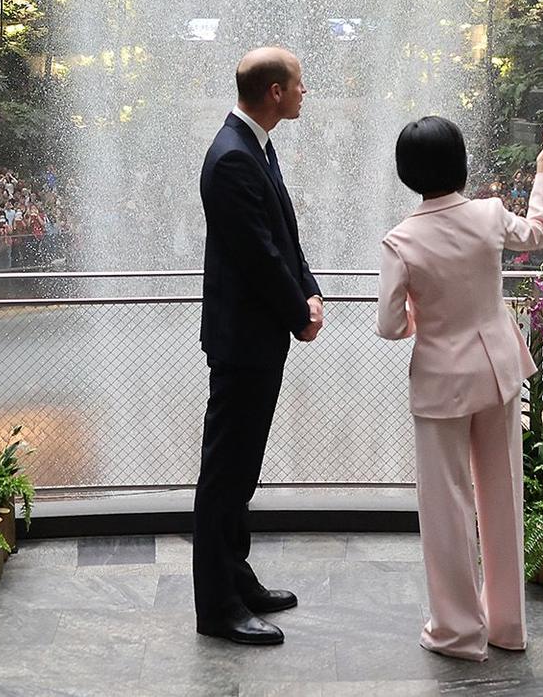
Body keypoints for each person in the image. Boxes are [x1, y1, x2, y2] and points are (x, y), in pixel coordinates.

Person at [379, 120, 543, 661]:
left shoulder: (401, 241)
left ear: (406, 173)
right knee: (502, 494)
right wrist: (542, 171)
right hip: (498, 371)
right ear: (461, 161)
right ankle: (507, 626)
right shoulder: (489, 215)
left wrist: (424, 318)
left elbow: (391, 326)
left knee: (447, 505)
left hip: (442, 381)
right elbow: (535, 234)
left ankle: (458, 632)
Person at [192, 47, 323, 646]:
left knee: (240, 470)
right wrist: (299, 313)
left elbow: (283, 236)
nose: (304, 92)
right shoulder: (232, 160)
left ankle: (235, 577)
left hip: (256, 337)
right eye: (298, 83)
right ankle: (217, 608)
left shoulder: (254, 148)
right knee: (224, 473)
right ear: (273, 91)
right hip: (243, 341)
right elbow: (257, 256)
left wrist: (310, 291)